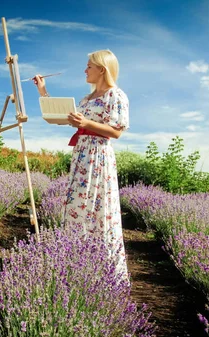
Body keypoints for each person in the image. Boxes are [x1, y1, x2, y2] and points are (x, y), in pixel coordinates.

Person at [33, 49, 130, 284]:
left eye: (89, 66)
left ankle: (105, 273)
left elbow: (116, 131)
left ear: (101, 69)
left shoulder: (115, 96)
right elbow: (61, 117)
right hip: (82, 156)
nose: (85, 70)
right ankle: (77, 268)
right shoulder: (87, 99)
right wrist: (43, 90)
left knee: (98, 209)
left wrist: (86, 123)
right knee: (78, 207)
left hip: (98, 158)